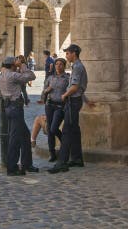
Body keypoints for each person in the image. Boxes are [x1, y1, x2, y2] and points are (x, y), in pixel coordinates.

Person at [48, 44, 88, 174]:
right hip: (75, 101)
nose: (66, 56)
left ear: (74, 53)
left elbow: (75, 87)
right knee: (75, 131)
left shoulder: (77, 67)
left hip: (72, 101)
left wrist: (65, 95)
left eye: (68, 53)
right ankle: (77, 159)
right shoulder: (77, 66)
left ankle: (62, 162)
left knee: (66, 132)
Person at [0, 56, 37, 176]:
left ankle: (27, 164)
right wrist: (23, 65)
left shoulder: (2, 75)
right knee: (14, 138)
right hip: (15, 108)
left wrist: (18, 66)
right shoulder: (12, 75)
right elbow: (31, 76)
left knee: (25, 135)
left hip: (9, 108)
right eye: (15, 64)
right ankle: (12, 168)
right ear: (12, 65)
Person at [41, 57, 69, 162]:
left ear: (64, 66)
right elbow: (43, 91)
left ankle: (65, 144)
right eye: (56, 64)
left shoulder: (67, 78)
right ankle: (52, 153)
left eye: (61, 64)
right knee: (49, 130)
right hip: (49, 105)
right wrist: (46, 91)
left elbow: (73, 90)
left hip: (60, 106)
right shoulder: (50, 78)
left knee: (53, 128)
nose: (58, 66)